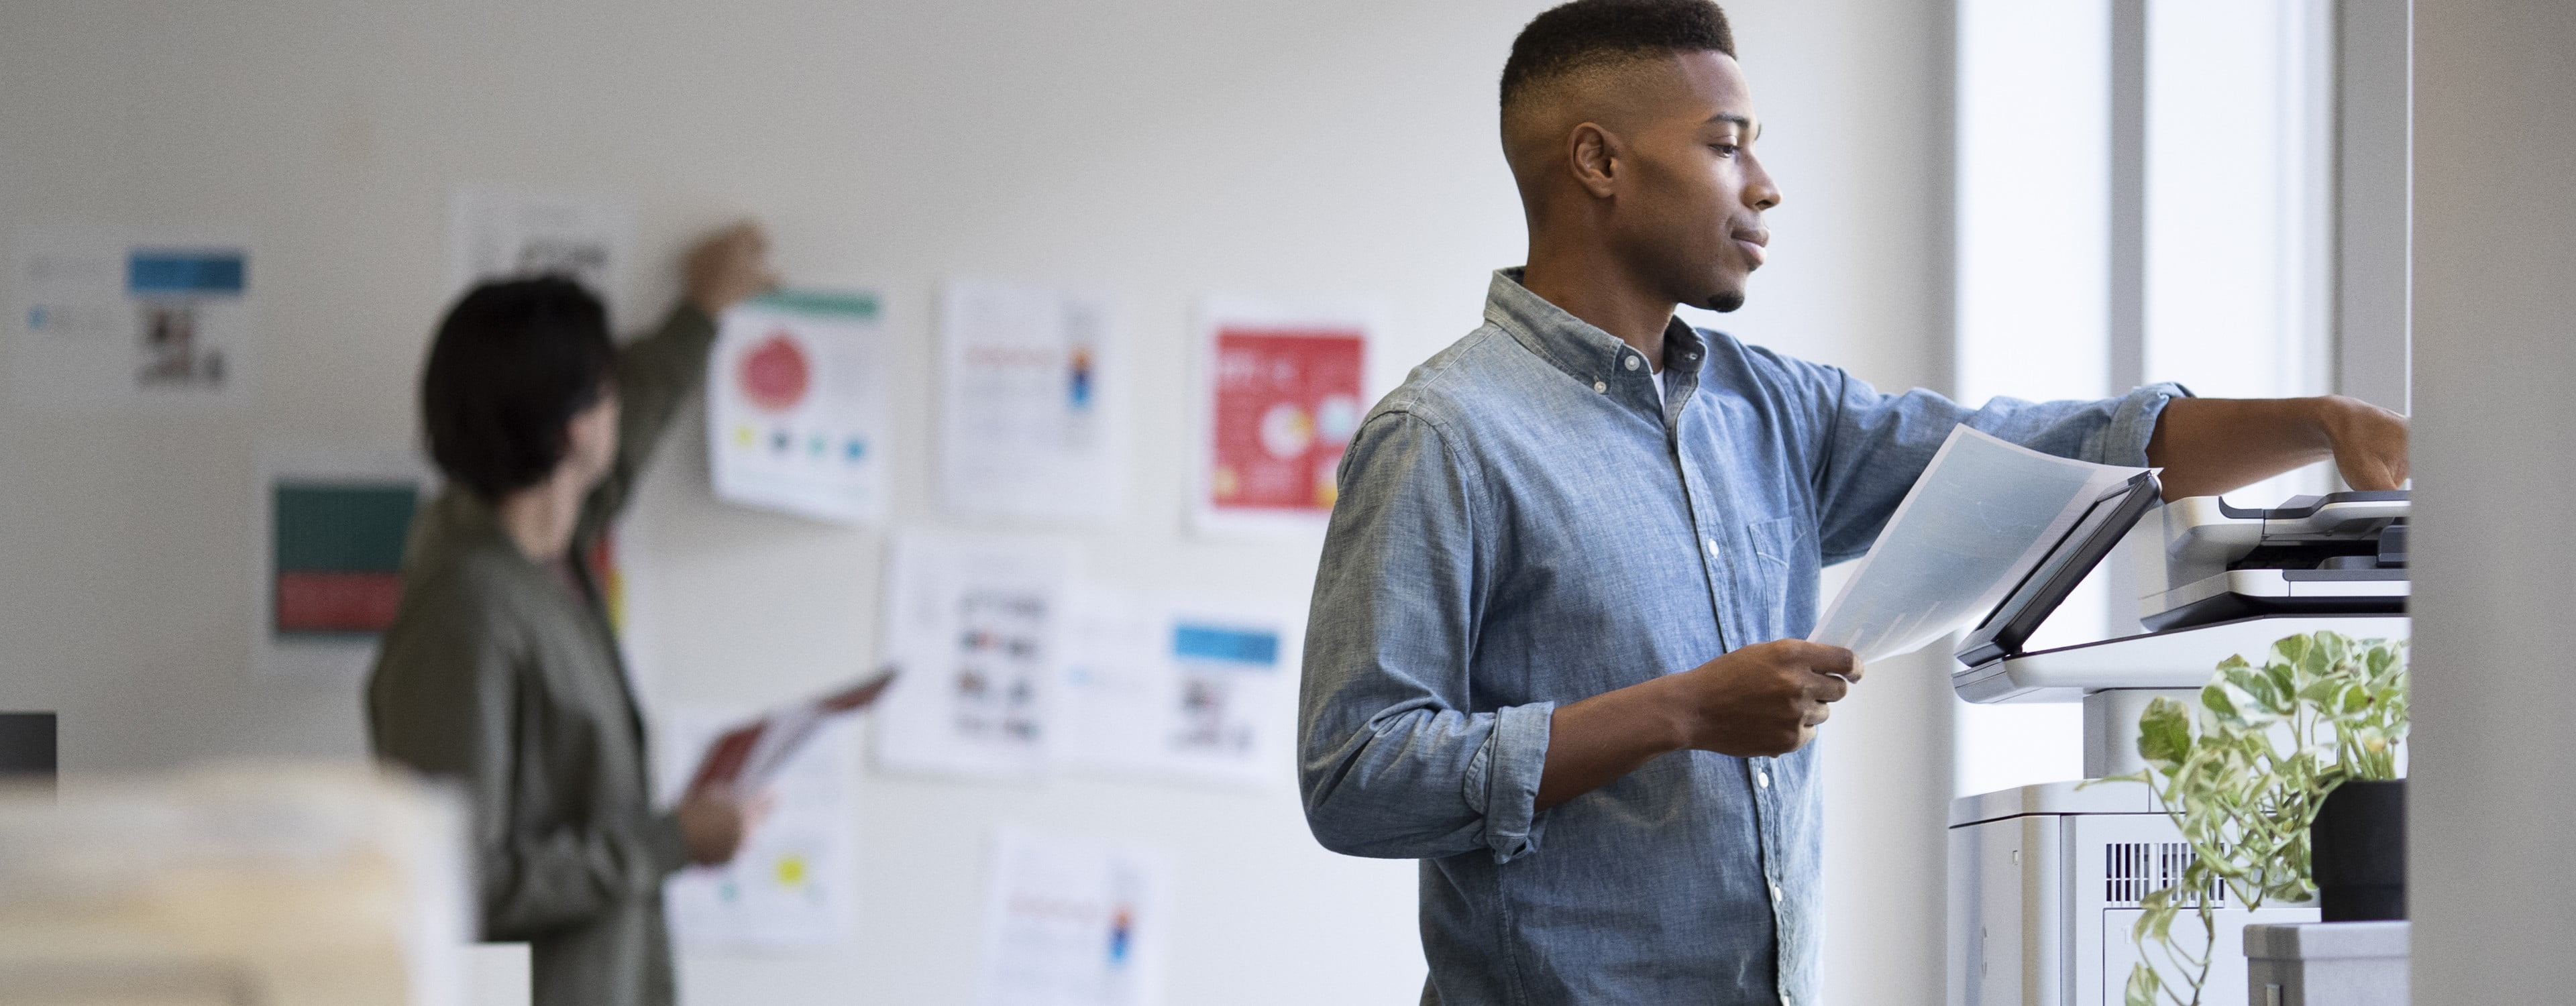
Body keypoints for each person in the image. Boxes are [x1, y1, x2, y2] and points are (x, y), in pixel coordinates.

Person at [1293, 3, 2409, 1004]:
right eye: (1727, 146)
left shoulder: (1772, 408)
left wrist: (2319, 422)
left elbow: (2072, 446)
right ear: (1599, 161)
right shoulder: (1444, 435)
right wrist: (1680, 713)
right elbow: (1355, 776)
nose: (1765, 187)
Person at [368, 224, 779, 1006]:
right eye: (607, 387)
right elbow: (462, 880)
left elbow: (618, 466)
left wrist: (701, 310)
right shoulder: (468, 610)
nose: (622, 401)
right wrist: (669, 843)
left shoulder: (550, 546)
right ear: (573, 428)